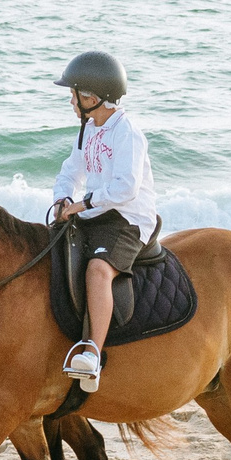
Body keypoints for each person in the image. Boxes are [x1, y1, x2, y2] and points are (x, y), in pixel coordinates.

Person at [49, 50, 157, 392]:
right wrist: (62, 199)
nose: (71, 102)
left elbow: (126, 188)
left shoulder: (127, 132)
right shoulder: (89, 129)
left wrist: (82, 204)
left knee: (98, 269)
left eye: (74, 96)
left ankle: (92, 352)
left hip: (127, 218)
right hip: (95, 212)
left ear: (92, 98)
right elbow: (71, 170)